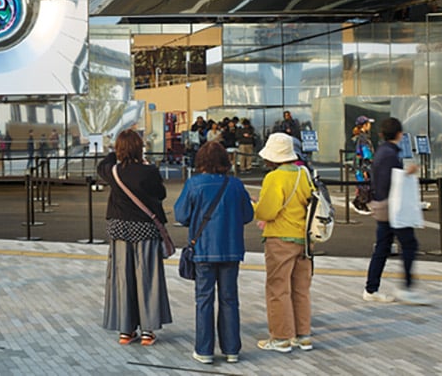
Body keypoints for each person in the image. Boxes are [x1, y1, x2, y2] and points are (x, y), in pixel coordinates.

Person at [173, 141, 252, 365]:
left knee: (204, 300)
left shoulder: (194, 183)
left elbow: (181, 215)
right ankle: (231, 350)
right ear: (225, 162)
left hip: (203, 250)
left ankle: (204, 350)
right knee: (229, 299)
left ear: (201, 161)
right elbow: (247, 215)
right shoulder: (235, 185)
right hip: (231, 249)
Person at [97, 129, 172, 347]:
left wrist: (113, 152)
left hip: (119, 227)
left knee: (123, 277)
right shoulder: (149, 171)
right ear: (140, 148)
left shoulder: (113, 170)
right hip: (145, 228)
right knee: (147, 277)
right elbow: (160, 194)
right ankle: (148, 331)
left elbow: (101, 165)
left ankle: (125, 330)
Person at [252, 131, 315, 353]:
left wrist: (254, 206)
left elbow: (267, 212)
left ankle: (280, 337)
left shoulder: (275, 178)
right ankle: (303, 335)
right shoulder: (303, 173)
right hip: (304, 239)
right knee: (301, 288)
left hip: (280, 238)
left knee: (278, 288)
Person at [362, 116, 429, 305]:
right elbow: (392, 181)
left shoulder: (382, 152)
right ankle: (406, 288)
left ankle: (371, 288)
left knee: (382, 248)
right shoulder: (391, 154)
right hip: (393, 207)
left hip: (383, 206)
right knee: (409, 245)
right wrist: (408, 173)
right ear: (399, 134)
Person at [350, 116, 376, 215]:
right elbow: (366, 154)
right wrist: (365, 168)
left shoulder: (360, 137)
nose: (370, 126)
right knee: (364, 184)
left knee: (363, 184)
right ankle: (360, 203)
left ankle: (360, 202)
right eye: (368, 124)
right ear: (364, 125)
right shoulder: (363, 138)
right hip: (363, 165)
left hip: (360, 164)